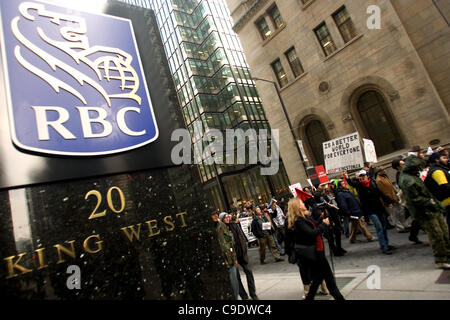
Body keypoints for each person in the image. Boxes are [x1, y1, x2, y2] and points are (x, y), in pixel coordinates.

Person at [399, 155, 450, 269]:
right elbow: (415, 199)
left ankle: (447, 254)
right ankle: (440, 259)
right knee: (437, 235)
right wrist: (431, 202)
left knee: (444, 232)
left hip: (432, 208)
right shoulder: (407, 180)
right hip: (424, 212)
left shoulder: (414, 176)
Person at [288, 197, 345, 301]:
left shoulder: (305, 218)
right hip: (315, 254)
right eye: (301, 202)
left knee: (318, 279)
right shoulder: (298, 221)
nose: (303, 203)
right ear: (297, 206)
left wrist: (321, 219)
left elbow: (313, 226)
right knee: (330, 281)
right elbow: (312, 233)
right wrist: (324, 224)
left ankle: (309, 298)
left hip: (318, 252)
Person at [344, 170, 395, 255]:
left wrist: (389, 202)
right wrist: (346, 176)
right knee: (379, 227)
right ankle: (384, 247)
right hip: (370, 211)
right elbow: (351, 183)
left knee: (384, 227)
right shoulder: (359, 185)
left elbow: (381, 194)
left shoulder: (373, 183)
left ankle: (386, 244)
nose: (362, 177)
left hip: (379, 208)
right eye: (361, 176)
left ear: (367, 176)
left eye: (364, 175)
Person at [221, 213, 259, 300]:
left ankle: (253, 294)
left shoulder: (234, 225)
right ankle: (244, 297)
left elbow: (241, 237)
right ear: (222, 220)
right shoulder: (222, 229)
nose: (227, 218)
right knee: (237, 278)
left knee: (249, 272)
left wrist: (244, 249)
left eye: (227, 217)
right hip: (233, 257)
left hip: (241, 254)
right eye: (225, 218)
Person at [392, 157, 423, 244]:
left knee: (417, 217)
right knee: (417, 217)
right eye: (402, 164)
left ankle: (413, 235)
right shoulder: (401, 176)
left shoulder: (404, 173)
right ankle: (413, 234)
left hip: (413, 199)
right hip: (411, 199)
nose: (404, 164)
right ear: (398, 167)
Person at [211, 211, 239, 299]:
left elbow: (230, 242)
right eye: (213, 215)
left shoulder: (222, 225)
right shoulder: (210, 228)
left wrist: (234, 258)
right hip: (218, 261)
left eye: (216, 214)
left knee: (234, 283)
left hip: (229, 259)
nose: (215, 216)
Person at [375, 166, 410, 233]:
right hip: (390, 199)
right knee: (395, 214)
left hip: (394, 197)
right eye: (383, 169)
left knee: (401, 212)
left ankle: (404, 225)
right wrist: (389, 201)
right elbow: (384, 192)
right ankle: (400, 228)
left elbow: (391, 187)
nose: (384, 170)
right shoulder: (379, 180)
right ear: (379, 172)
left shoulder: (384, 177)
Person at [425, 153, 450, 236]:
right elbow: (444, 186)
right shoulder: (437, 171)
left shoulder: (439, 169)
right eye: (444, 157)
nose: (446, 159)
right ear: (437, 160)